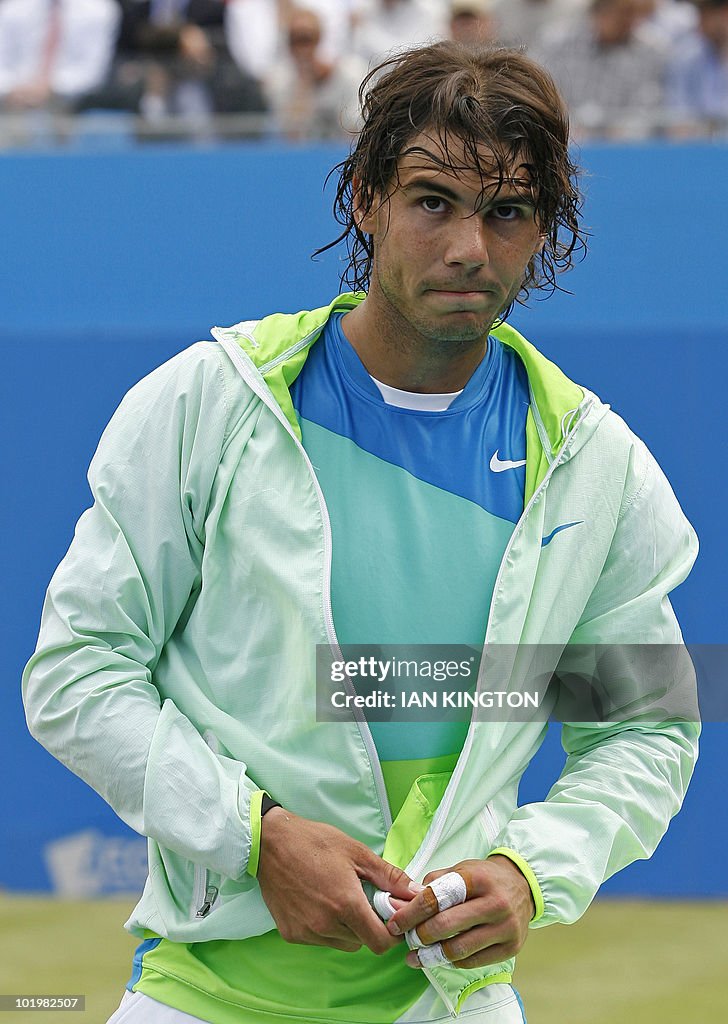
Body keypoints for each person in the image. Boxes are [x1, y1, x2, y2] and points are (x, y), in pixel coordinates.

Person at [23, 40, 699, 1024]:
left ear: (543, 231)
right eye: (432, 201)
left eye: (506, 212)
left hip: (451, 1002)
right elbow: (77, 669)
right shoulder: (209, 404)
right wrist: (256, 835)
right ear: (365, 200)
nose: (468, 247)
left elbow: (645, 727)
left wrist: (530, 871)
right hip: (196, 996)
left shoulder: (595, 465)